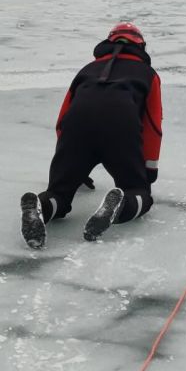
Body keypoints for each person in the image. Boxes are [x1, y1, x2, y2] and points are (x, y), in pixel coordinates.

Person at [20, 23, 162, 248]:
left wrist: (71, 162)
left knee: (59, 193)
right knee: (139, 192)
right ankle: (120, 205)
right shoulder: (148, 74)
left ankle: (40, 206)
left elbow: (62, 120)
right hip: (120, 129)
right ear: (141, 46)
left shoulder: (87, 70)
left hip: (76, 131)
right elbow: (153, 125)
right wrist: (150, 169)